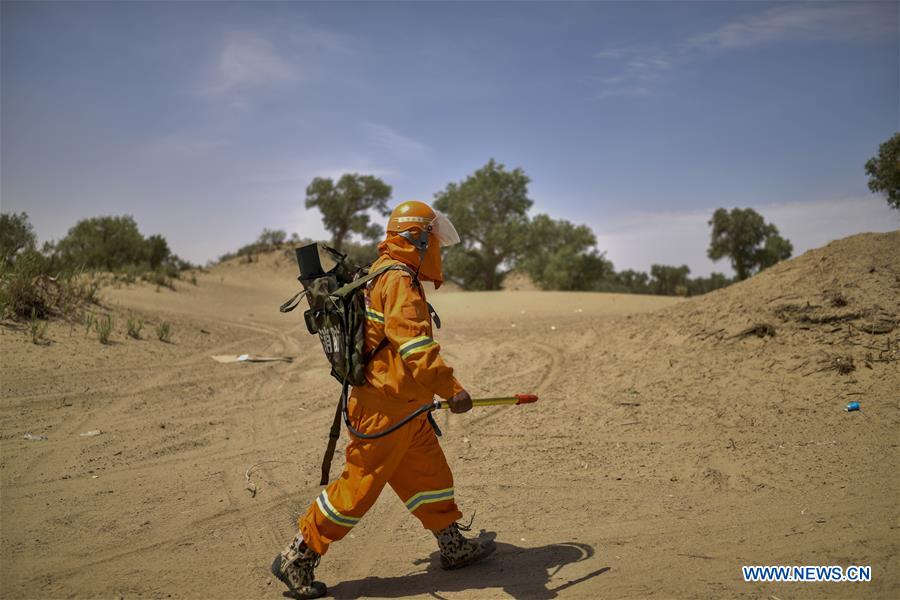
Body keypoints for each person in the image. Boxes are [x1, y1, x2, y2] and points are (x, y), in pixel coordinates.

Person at [271, 200, 496, 599]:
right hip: (384, 410)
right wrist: (452, 389)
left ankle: (452, 545)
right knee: (358, 490)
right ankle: (299, 554)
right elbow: (415, 349)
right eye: (433, 239)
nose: (436, 249)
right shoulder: (399, 282)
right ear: (418, 238)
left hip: (406, 407)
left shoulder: (386, 272)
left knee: (430, 476)